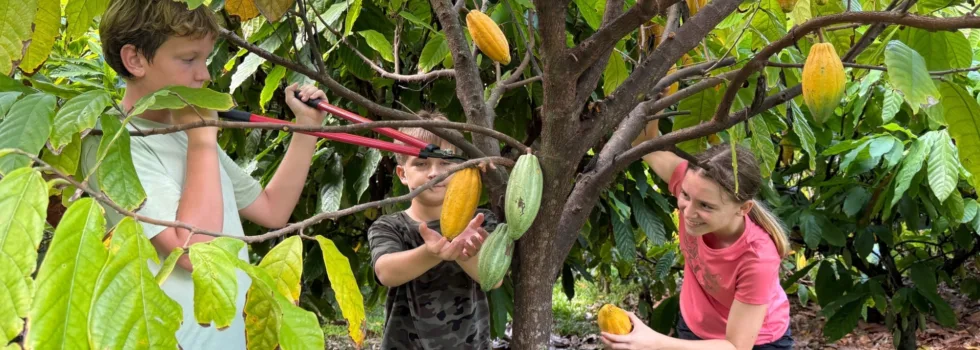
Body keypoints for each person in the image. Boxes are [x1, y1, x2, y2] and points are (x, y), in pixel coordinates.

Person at [81, 1, 328, 348]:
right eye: (188, 59)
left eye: (205, 59)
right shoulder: (111, 144)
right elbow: (192, 252)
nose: (205, 75)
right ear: (134, 59)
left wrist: (306, 129)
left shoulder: (187, 130)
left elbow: (272, 210)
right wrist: (201, 139)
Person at [601, 119, 794, 350]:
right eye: (685, 195)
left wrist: (652, 342)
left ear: (743, 209)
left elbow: (736, 346)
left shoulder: (758, 257)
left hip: (756, 341)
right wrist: (657, 94)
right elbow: (645, 142)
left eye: (706, 206)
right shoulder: (697, 185)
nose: (688, 212)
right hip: (694, 325)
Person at [367, 111, 502, 350]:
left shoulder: (480, 221)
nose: (434, 173)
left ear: (462, 168)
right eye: (421, 163)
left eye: (445, 162)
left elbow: (494, 278)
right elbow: (386, 272)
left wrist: (465, 252)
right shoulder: (389, 226)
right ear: (402, 174)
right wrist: (431, 253)